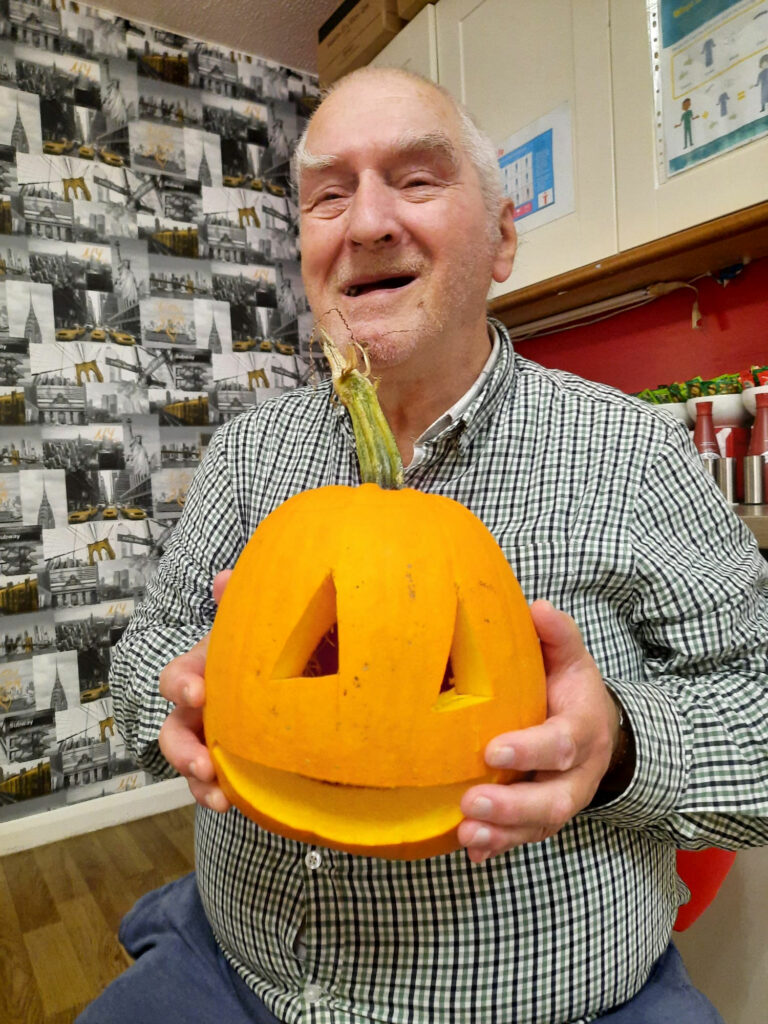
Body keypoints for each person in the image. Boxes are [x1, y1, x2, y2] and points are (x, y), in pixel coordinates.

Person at [78, 68, 768, 1024]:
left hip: (556, 1005)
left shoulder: (632, 454)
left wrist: (617, 743)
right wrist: (188, 693)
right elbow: (142, 664)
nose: (366, 223)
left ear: (503, 238)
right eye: (329, 195)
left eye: (415, 179)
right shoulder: (245, 455)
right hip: (236, 974)